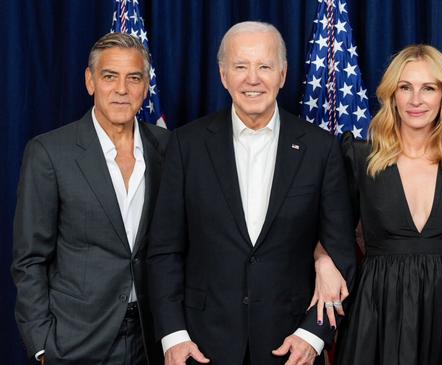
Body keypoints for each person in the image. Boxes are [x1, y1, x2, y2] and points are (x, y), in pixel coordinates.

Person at [146, 21, 356, 365]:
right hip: (200, 348)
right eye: (240, 66)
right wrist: (173, 336)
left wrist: (313, 335)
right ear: (223, 74)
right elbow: (164, 250)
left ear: (283, 73)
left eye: (264, 66)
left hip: (291, 347)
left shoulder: (320, 148)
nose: (252, 78)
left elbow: (341, 251)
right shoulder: (186, 145)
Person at [11, 33, 168, 364]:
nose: (122, 89)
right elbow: (30, 259)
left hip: (151, 337)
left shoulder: (169, 148)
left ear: (145, 86)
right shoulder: (50, 153)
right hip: (76, 340)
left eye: (134, 78)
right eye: (110, 76)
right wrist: (42, 344)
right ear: (90, 81)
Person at [329, 44, 442, 365]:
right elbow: (331, 232)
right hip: (377, 308)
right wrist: (321, 261)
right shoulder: (359, 156)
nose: (416, 100)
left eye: (428, 88)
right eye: (406, 87)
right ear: (392, 95)